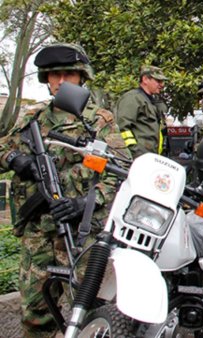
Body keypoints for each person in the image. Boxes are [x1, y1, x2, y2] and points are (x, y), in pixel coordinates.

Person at [0, 43, 129, 337]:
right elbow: (2, 148)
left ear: (81, 77)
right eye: (53, 75)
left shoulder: (99, 121)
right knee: (35, 314)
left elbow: (120, 171)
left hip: (79, 232)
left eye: (67, 74)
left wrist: (84, 202)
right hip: (39, 233)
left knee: (86, 311)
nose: (59, 81)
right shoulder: (32, 118)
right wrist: (17, 160)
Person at [116, 65, 169, 158]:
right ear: (145, 79)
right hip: (138, 159)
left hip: (152, 158)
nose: (162, 85)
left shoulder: (152, 101)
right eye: (158, 81)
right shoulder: (132, 98)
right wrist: (135, 152)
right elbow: (122, 128)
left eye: (162, 81)